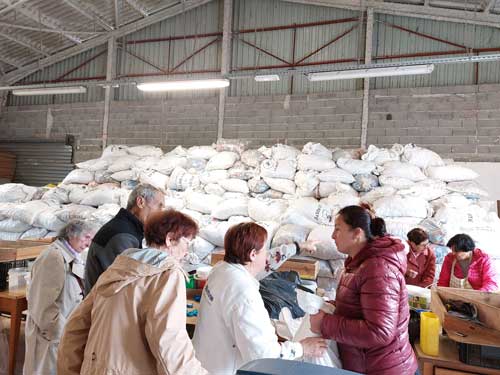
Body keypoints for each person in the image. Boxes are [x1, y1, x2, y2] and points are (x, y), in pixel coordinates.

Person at [57, 210, 208, 375]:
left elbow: (75, 328)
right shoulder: (167, 274)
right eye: (187, 243)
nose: (187, 251)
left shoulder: (116, 270)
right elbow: (169, 342)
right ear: (170, 239)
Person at [193, 222, 327, 375]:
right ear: (252, 254)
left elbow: (266, 261)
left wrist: (296, 247)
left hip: (204, 362)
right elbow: (265, 355)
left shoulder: (222, 269)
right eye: (264, 250)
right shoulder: (244, 294)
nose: (267, 254)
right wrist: (302, 348)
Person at [310, 205, 418, 375]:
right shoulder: (359, 263)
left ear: (357, 234)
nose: (333, 235)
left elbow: (380, 332)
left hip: (382, 369)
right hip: (367, 364)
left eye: (338, 229)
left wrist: (325, 324)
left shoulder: (378, 269)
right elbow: (360, 306)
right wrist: (330, 307)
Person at [24, 220, 97, 375]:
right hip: (51, 338)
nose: (88, 243)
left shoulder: (71, 257)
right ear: (72, 234)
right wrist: (59, 334)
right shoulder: (53, 257)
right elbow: (42, 305)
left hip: (62, 336)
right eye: (86, 237)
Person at [83, 183, 165, 294]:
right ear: (141, 202)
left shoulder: (129, 229)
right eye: (159, 206)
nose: (161, 212)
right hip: (104, 307)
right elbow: (124, 285)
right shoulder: (122, 235)